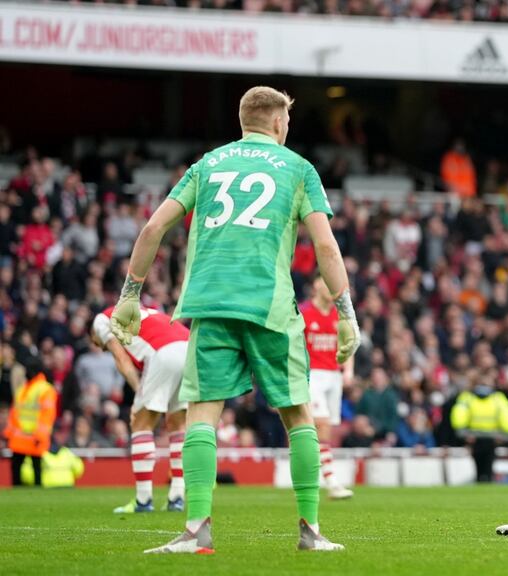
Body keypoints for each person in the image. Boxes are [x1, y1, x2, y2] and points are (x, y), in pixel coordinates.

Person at [109, 86, 360, 554]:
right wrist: (346, 314)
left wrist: (131, 294)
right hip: (271, 307)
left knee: (203, 414)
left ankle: (195, 532)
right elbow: (326, 246)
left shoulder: (206, 164)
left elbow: (152, 227)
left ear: (243, 120)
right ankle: (310, 532)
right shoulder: (300, 169)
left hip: (209, 304)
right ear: (279, 122)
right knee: (298, 415)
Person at [92, 306, 190, 514]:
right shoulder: (148, 312)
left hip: (163, 352)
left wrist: (139, 395)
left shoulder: (100, 321)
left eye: (98, 345)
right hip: (189, 348)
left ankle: (143, 500)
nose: (100, 348)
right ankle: (177, 497)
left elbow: (122, 359)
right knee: (177, 424)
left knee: (141, 423)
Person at [299, 275, 354, 500]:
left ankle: (311, 474)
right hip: (312, 375)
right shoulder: (303, 313)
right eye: (325, 282)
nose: (330, 287)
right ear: (315, 285)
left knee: (326, 430)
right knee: (321, 426)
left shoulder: (339, 315)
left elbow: (347, 342)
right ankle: (331, 481)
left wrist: (348, 370)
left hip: (334, 376)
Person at [451, 373, 508, 482]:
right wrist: (464, 434)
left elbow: (507, 416)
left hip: (490, 437)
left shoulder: (495, 398)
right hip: (477, 437)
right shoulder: (470, 397)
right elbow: (459, 416)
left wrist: (505, 434)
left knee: (487, 463)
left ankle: (484, 480)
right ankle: (482, 479)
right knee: (480, 463)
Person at [4, 356, 56, 487]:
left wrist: (40, 435)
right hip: (19, 438)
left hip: (34, 437)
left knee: (36, 469)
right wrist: (8, 434)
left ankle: (36, 493)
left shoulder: (45, 389)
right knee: (16, 469)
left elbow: (47, 415)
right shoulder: (23, 389)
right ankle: (19, 493)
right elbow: (14, 413)